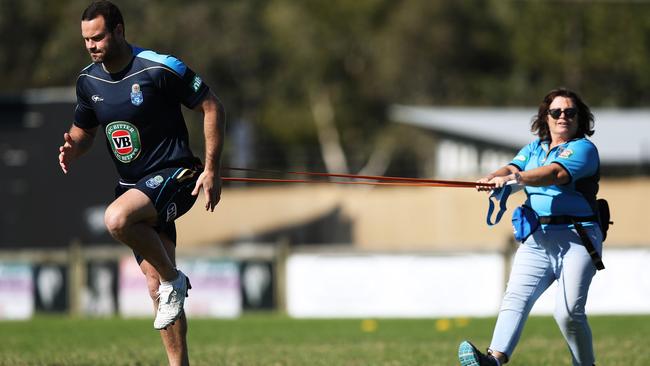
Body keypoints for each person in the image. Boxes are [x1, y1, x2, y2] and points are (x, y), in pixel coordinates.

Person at [58, 1, 225, 365]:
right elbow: (84, 132)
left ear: (119, 30)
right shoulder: (88, 81)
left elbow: (211, 106)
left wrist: (212, 170)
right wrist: (73, 147)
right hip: (133, 188)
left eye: (98, 37)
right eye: (86, 39)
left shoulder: (159, 68)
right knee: (156, 288)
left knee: (117, 220)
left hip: (176, 176)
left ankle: (174, 278)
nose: (91, 45)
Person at [458, 88, 602, 366]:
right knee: (515, 298)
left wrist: (517, 178)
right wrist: (492, 178)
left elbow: (554, 174)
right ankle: (493, 360)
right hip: (539, 238)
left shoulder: (583, 149)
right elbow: (510, 169)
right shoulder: (534, 148)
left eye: (570, 112)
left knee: (568, 313)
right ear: (545, 117)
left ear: (579, 118)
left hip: (578, 238)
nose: (563, 116)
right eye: (556, 112)